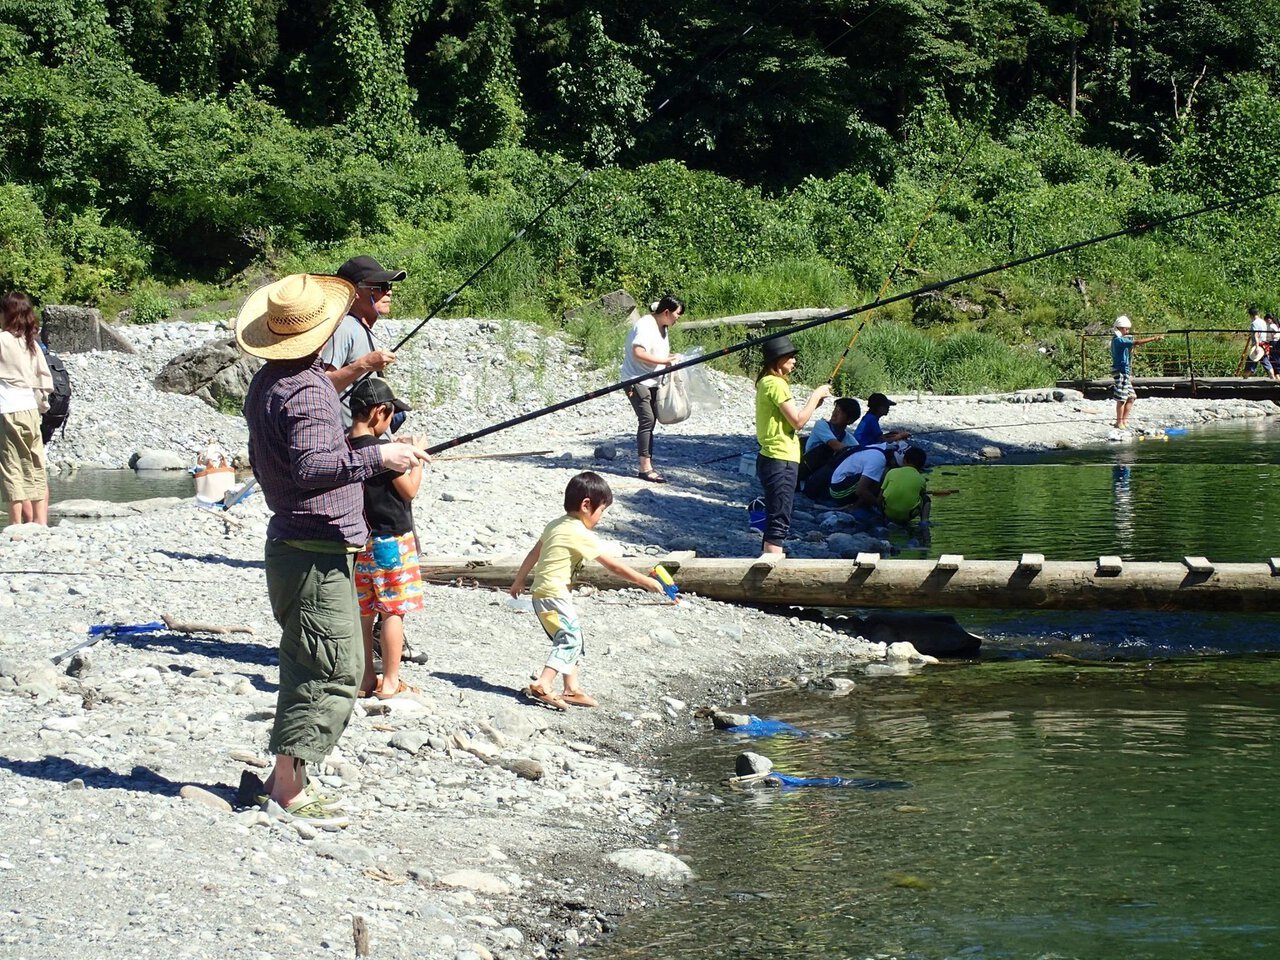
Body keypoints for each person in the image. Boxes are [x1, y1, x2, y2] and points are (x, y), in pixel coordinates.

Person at [237, 273, 428, 827]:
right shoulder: (305, 392)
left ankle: (281, 777)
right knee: (333, 667)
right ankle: (291, 791)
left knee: (308, 661)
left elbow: (315, 435)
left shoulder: (275, 378)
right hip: (312, 548)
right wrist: (381, 459)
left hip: (303, 545)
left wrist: (378, 437)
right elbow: (313, 466)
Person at [508, 471, 665, 710]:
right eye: (602, 511)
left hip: (543, 594)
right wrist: (644, 581)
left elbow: (534, 553)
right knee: (569, 640)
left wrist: (519, 581)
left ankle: (572, 689)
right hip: (554, 595)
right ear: (586, 506)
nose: (600, 517)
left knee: (573, 639)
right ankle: (543, 683)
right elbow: (612, 565)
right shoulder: (578, 532)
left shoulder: (555, 525)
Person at [349, 377, 427, 700]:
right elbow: (409, 491)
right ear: (379, 412)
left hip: (359, 542)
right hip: (391, 541)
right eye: (391, 414)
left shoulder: (344, 446)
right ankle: (391, 681)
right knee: (393, 610)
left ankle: (367, 678)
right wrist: (418, 457)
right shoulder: (383, 452)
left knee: (365, 611)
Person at [755, 335, 831, 555]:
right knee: (779, 517)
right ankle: (771, 566)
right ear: (778, 359)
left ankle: (767, 559)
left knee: (774, 512)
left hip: (772, 457)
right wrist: (815, 396)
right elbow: (798, 422)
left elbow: (790, 419)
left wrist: (814, 405)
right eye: (790, 356)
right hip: (780, 458)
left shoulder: (766, 383)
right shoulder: (776, 384)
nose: (794, 360)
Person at [320, 255, 405, 427]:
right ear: (356, 292)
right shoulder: (344, 328)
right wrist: (363, 365)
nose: (389, 291)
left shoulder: (361, 328)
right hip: (352, 446)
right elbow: (322, 385)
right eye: (381, 286)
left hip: (369, 444)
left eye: (389, 286)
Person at [0, 292, 53, 526]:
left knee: (12, 468)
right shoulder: (30, 341)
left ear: (6, 314)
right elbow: (44, 378)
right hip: (31, 410)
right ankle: (41, 525)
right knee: (35, 465)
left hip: (8, 409)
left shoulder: (2, 340)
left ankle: (15, 527)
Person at [621, 296, 684, 483]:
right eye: (677, 315)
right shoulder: (646, 325)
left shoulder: (663, 327)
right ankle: (644, 468)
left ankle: (647, 462)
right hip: (635, 379)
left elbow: (657, 353)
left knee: (653, 418)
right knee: (647, 419)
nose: (677, 319)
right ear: (666, 312)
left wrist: (673, 358)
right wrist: (666, 361)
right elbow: (638, 353)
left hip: (653, 380)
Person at [799, 396, 860, 499]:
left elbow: (858, 453)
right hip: (808, 476)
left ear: (850, 420)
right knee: (837, 453)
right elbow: (837, 446)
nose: (834, 414)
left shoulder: (849, 439)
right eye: (835, 410)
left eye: (839, 412)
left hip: (824, 478)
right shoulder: (821, 425)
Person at [1110, 315, 1163, 428]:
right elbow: (1137, 342)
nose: (1127, 331)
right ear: (1119, 328)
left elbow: (1132, 342)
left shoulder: (1122, 339)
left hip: (1125, 371)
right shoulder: (1118, 340)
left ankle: (1124, 420)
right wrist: (1153, 338)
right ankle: (1119, 422)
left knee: (1131, 397)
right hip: (1120, 371)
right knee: (1121, 397)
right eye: (1126, 329)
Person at [828, 442, 899, 510]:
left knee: (875, 474)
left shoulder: (879, 448)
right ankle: (856, 507)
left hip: (844, 479)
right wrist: (878, 505)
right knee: (881, 474)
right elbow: (860, 490)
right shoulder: (879, 459)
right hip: (838, 491)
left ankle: (862, 504)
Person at [881, 446, 931, 527]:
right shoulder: (921, 479)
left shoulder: (892, 472)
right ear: (922, 465)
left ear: (904, 460)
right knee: (926, 498)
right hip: (908, 515)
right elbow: (921, 494)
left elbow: (881, 494)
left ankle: (884, 519)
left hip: (888, 513)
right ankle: (924, 521)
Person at [1244, 307, 1276, 380]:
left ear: (1251, 315)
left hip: (1258, 346)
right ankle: (1272, 377)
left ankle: (1243, 381)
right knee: (1266, 363)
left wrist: (1257, 346)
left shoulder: (1254, 323)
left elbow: (1256, 334)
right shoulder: (1263, 322)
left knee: (1250, 363)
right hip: (1264, 345)